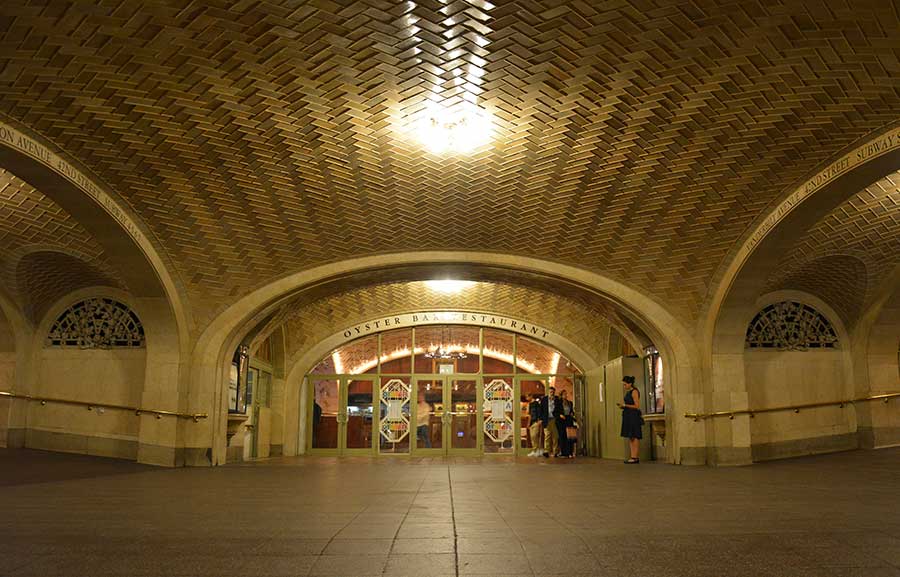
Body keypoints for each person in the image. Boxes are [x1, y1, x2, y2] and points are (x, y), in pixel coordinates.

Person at [617, 375, 642, 463]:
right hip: (628, 415)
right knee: (630, 436)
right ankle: (632, 456)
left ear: (630, 383)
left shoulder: (634, 392)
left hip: (633, 416)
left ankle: (635, 457)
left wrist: (625, 405)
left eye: (625, 384)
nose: (624, 386)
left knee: (634, 436)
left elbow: (637, 406)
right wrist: (623, 407)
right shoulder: (628, 392)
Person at [540, 386, 561, 457]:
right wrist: (541, 419)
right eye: (550, 392)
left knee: (555, 436)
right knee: (547, 436)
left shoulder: (557, 399)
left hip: (554, 419)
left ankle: (555, 452)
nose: (552, 393)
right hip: (547, 419)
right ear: (548, 392)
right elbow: (541, 409)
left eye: (553, 392)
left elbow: (559, 409)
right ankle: (547, 451)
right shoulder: (544, 399)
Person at [557, 390, 576, 458]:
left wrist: (572, 413)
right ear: (561, 395)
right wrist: (560, 415)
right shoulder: (558, 403)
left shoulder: (569, 403)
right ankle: (563, 452)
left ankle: (569, 452)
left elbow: (572, 411)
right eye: (564, 394)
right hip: (561, 421)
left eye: (566, 394)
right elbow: (555, 412)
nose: (565, 395)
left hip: (568, 420)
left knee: (569, 437)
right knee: (562, 436)